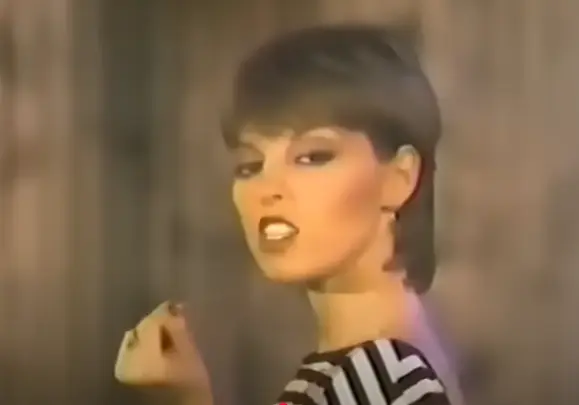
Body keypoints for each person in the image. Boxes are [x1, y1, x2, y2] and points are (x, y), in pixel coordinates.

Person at [114, 25, 464, 405]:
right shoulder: (358, 365)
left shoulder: (383, 375)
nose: (268, 188)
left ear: (399, 177)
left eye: (313, 157)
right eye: (250, 165)